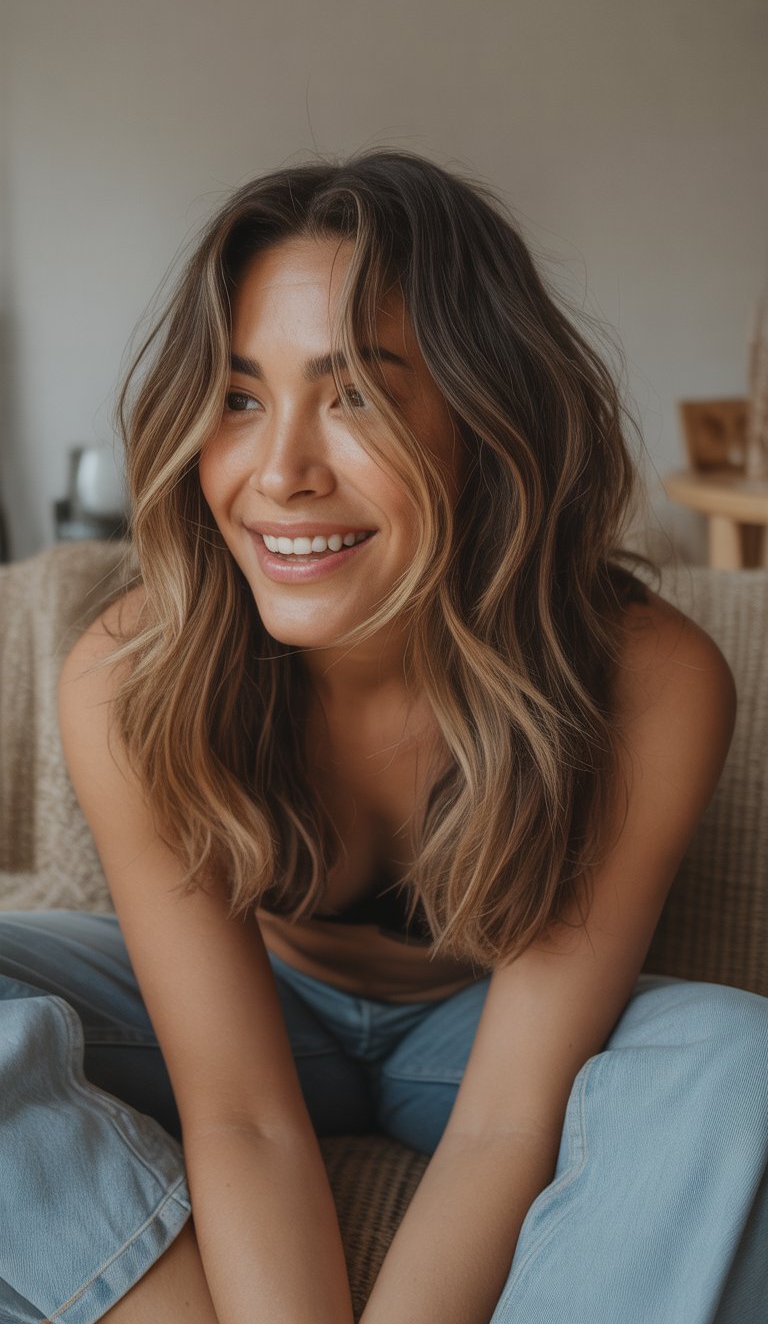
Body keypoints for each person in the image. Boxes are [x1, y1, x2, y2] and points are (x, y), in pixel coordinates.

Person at [1, 148, 766, 1324]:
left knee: (739, 1053)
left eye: (356, 392)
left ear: (487, 413)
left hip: (480, 1040)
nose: (281, 472)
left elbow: (512, 1117)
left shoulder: (646, 680)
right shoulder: (133, 671)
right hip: (243, 1011)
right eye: (243, 398)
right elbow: (240, 1109)